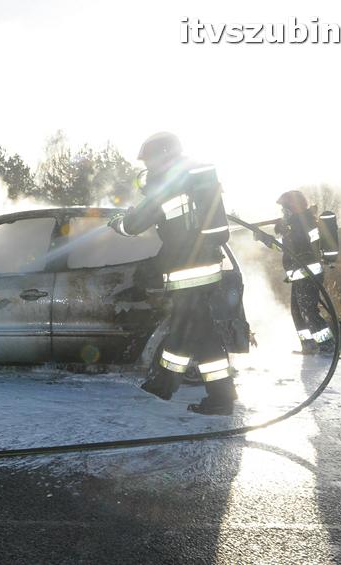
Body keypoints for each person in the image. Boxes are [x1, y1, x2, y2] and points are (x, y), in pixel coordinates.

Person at [109, 132, 236, 415]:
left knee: (192, 332)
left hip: (187, 271)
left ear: (164, 155)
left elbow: (134, 225)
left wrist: (117, 222)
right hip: (204, 268)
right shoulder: (191, 181)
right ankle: (199, 391)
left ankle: (201, 394)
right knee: (196, 332)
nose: (148, 166)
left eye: (150, 159)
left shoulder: (169, 185)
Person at [255, 190, 334, 355]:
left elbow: (292, 247)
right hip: (299, 275)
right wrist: (264, 237)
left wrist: (267, 236)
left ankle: (327, 345)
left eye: (284, 208)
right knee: (297, 311)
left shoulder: (302, 224)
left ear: (292, 207)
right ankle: (308, 345)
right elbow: (281, 247)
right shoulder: (293, 225)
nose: (283, 212)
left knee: (308, 311)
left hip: (308, 273)